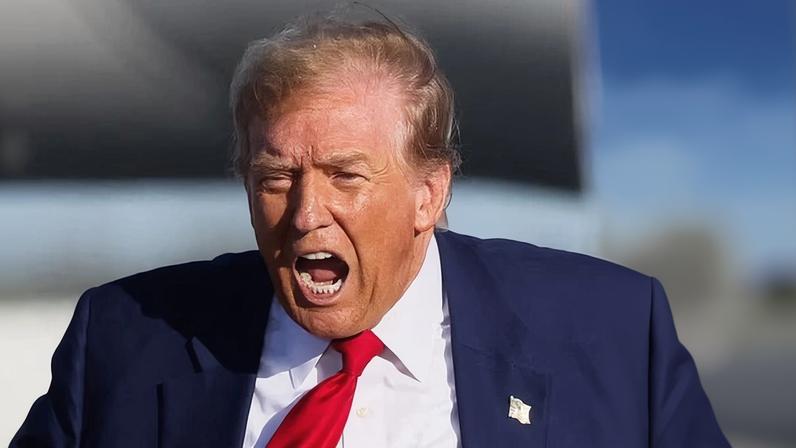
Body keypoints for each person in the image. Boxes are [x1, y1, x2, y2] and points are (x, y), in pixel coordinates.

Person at [12, 14, 730, 448]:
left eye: (345, 176)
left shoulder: (613, 334)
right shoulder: (121, 342)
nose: (303, 213)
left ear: (429, 193)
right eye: (274, 179)